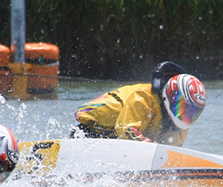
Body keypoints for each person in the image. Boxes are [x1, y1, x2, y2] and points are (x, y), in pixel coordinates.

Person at [72, 60, 207, 144]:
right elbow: (126, 131)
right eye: (184, 107)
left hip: (118, 141)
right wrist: (149, 146)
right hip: (91, 132)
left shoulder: (180, 128)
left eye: (193, 112)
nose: (187, 114)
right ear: (171, 95)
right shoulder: (143, 97)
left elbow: (171, 155)